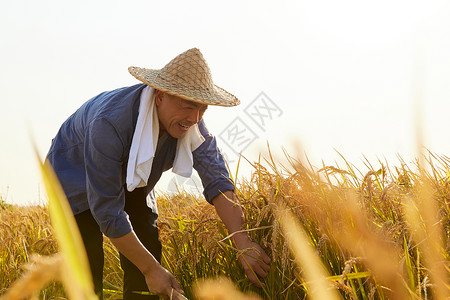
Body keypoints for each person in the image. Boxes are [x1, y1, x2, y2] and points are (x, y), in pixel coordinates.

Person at [46, 48, 271, 300]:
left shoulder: (191, 125)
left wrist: (242, 242)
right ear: (160, 96)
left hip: (134, 180)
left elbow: (215, 175)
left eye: (202, 109)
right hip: (74, 176)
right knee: (87, 270)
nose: (195, 118)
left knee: (147, 253)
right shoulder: (108, 125)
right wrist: (152, 269)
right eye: (188, 105)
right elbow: (107, 211)